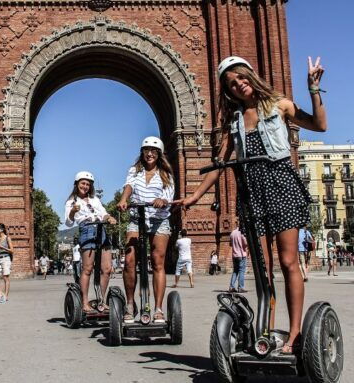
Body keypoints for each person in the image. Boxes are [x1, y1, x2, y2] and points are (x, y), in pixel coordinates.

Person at [176, 55, 326, 354]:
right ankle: (266, 331)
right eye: (232, 84)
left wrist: (313, 89)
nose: (239, 85)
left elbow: (319, 125)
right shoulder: (235, 122)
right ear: (228, 92)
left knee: (287, 261)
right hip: (252, 193)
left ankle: (295, 332)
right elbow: (219, 164)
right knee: (262, 266)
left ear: (251, 76)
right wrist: (194, 196)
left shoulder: (280, 104)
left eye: (241, 78)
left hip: (282, 186)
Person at [117, 136, 175, 324]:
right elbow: (129, 187)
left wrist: (162, 201)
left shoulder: (166, 174)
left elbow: (168, 195)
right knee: (129, 260)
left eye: (153, 151)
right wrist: (124, 199)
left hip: (159, 220)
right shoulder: (134, 171)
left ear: (159, 154)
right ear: (142, 152)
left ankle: (158, 309)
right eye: (146, 150)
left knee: (158, 262)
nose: (149, 153)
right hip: (137, 218)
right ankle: (130, 304)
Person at [65, 171, 117, 314]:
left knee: (106, 269)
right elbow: (69, 223)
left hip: (101, 229)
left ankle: (101, 300)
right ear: (76, 184)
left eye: (88, 184)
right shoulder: (71, 201)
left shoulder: (94, 199)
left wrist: (109, 218)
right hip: (87, 230)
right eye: (83, 183)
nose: (85, 186)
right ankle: (85, 302)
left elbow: (103, 212)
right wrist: (72, 212)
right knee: (87, 269)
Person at [0, 223, 14, 303]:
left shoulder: (7, 238)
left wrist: (3, 247)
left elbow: (12, 250)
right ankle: (1, 293)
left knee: (5, 278)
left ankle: (6, 296)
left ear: (1, 229)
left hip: (6, 258)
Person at [229, 227, 248, 292]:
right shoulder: (242, 233)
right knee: (241, 271)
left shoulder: (232, 233)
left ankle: (231, 287)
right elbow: (245, 243)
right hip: (241, 255)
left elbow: (230, 244)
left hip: (234, 255)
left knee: (235, 271)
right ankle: (241, 287)